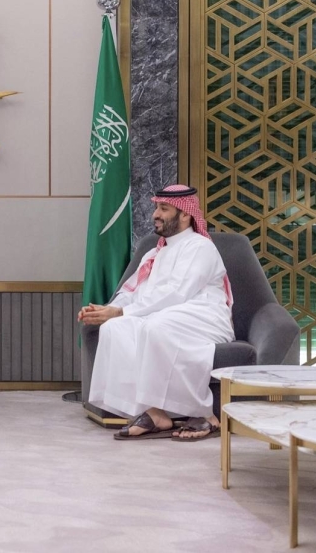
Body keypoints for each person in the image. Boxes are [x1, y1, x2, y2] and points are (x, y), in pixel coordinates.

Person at [79, 185, 233, 441]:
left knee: (155, 327)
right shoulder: (155, 253)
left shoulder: (200, 247)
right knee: (114, 328)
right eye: (156, 208)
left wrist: (122, 311)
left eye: (164, 209)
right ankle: (154, 413)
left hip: (205, 316)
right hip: (165, 316)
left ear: (185, 214)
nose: (155, 215)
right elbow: (136, 292)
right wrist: (108, 310)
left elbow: (178, 293)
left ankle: (205, 414)